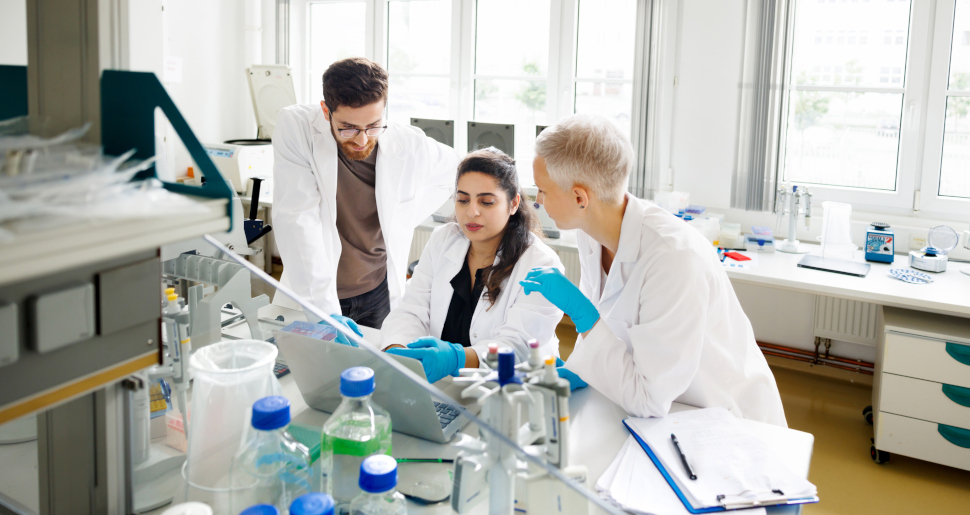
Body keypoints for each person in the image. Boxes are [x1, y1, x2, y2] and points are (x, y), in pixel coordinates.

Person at [521, 114, 787, 427]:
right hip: (664, 408)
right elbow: (610, 324)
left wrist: (581, 313)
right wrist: (582, 368)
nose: (537, 201)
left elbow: (648, 399)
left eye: (542, 190)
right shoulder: (590, 230)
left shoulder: (673, 258)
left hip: (722, 419)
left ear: (580, 197)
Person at [272, 57, 460, 332]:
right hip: (318, 293)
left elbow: (458, 169)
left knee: (378, 371)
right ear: (326, 111)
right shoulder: (297, 127)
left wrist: (402, 217)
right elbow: (298, 221)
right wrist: (323, 313)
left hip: (378, 293)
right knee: (314, 370)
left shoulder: (407, 143)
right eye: (348, 127)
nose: (362, 140)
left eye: (373, 125)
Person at [380, 148, 565, 383]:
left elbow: (518, 346)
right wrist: (399, 351)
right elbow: (411, 310)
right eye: (462, 199)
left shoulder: (541, 263)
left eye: (486, 202)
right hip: (443, 385)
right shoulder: (443, 239)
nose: (471, 212)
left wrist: (456, 359)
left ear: (513, 203)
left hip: (510, 390)